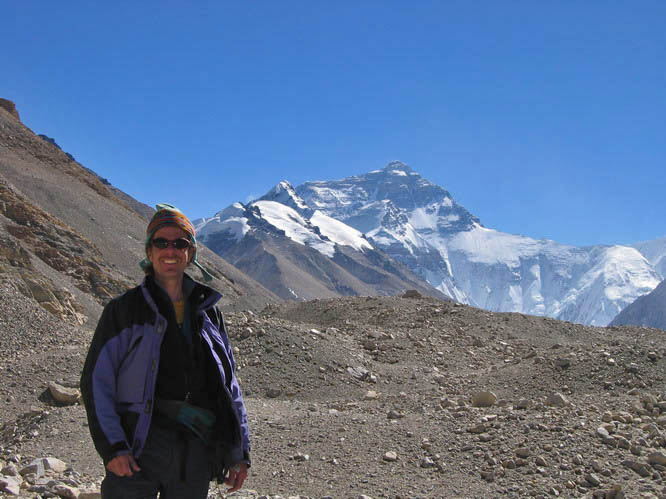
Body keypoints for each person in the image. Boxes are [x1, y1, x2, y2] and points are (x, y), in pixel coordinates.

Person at [81, 203, 250, 498]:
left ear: (191, 253)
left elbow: (229, 385)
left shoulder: (209, 313)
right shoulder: (124, 311)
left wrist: (240, 451)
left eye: (180, 243)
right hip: (137, 448)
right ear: (149, 251)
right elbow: (97, 382)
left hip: (196, 448)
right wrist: (113, 447)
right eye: (161, 242)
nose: (170, 250)